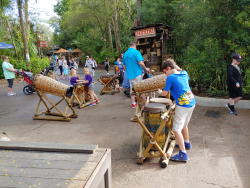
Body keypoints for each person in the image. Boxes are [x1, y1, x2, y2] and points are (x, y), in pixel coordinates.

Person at [157, 58, 195, 161]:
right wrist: (174, 65)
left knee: (176, 129)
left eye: (165, 71)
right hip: (191, 102)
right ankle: (186, 143)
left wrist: (160, 91)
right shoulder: (184, 73)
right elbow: (179, 69)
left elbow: (165, 94)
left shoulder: (170, 78)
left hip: (183, 105)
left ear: (168, 68)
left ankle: (183, 154)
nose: (165, 74)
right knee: (184, 125)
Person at [123, 42, 150, 108]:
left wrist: (127, 71)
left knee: (132, 88)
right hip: (137, 73)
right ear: (135, 46)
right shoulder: (136, 52)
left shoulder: (125, 54)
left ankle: (133, 103)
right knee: (141, 88)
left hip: (129, 74)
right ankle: (145, 103)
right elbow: (140, 63)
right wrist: (145, 68)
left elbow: (124, 65)